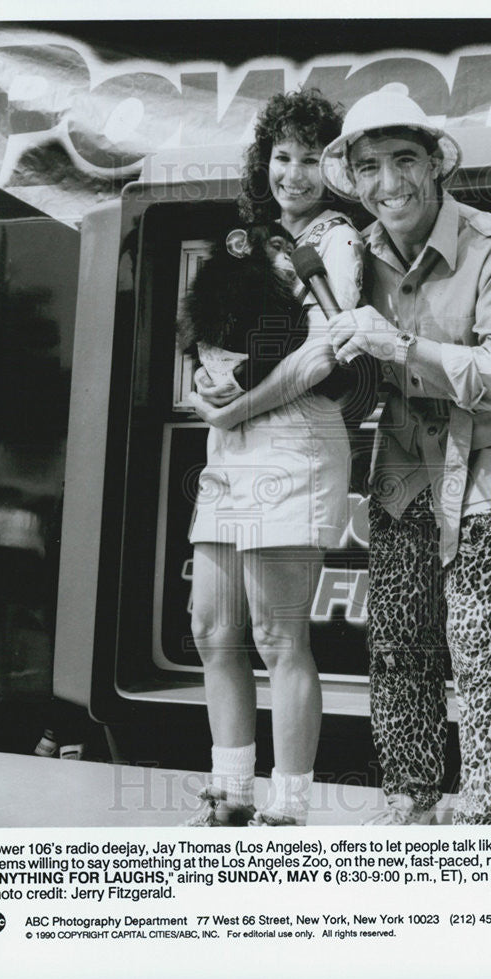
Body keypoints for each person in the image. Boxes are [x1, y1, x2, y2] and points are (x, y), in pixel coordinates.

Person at [321, 88, 491, 825]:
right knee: (398, 647)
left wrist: (405, 349)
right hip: (403, 469)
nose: (387, 182)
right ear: (354, 177)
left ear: (434, 165)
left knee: (482, 653)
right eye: (368, 166)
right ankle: (408, 798)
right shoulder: (351, 258)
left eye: (403, 161)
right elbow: (351, 390)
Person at [184, 88, 364, 827]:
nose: (294, 172)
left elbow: (326, 353)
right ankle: (230, 794)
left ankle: (286, 809)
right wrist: (205, 388)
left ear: (334, 165)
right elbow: (207, 339)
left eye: (312, 157)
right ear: (265, 164)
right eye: (282, 156)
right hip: (232, 446)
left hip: (296, 443)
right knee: (212, 630)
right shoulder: (244, 239)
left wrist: (239, 405)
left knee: (277, 635)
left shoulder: (339, 239)